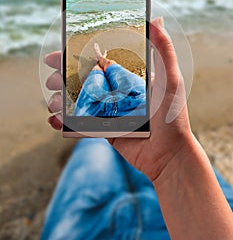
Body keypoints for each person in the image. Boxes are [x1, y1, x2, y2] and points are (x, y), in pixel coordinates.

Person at [42, 17, 233, 239]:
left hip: (91, 231)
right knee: (130, 103)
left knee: (92, 140)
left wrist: (174, 158)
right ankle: (103, 64)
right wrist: (176, 157)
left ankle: (99, 68)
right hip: (215, 214)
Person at [73, 43, 146, 117]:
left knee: (96, 70)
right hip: (141, 99)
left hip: (93, 112)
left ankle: (98, 63)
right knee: (110, 64)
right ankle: (100, 57)